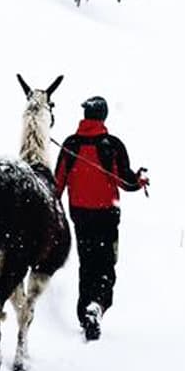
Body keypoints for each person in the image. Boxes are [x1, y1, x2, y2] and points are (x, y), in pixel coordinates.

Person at [52, 95, 149, 341]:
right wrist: (140, 181)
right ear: (103, 116)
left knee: (87, 264)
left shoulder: (70, 144)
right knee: (106, 264)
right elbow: (125, 180)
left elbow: (57, 185)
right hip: (106, 216)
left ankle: (85, 311)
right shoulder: (111, 145)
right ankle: (97, 305)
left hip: (80, 216)